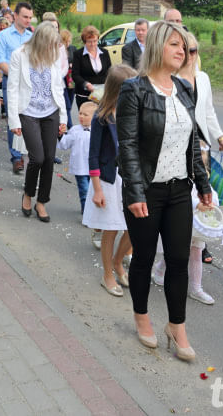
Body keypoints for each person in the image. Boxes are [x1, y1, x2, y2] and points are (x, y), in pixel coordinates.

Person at [117, 20, 211, 361]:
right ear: (157, 46)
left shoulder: (185, 89)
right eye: (175, 44)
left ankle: (177, 326)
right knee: (142, 258)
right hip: (147, 192)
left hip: (178, 191)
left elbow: (191, 143)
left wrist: (202, 183)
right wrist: (135, 193)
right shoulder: (135, 90)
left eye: (184, 46)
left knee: (177, 260)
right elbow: (127, 145)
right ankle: (142, 317)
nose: (181, 51)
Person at [151, 32, 223, 301]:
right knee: (180, 221)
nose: (191, 55)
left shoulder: (203, 78)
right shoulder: (168, 79)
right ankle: (162, 267)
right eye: (187, 49)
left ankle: (194, 285)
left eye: (195, 50)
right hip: (175, 156)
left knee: (200, 217)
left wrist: (219, 136)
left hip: (201, 153)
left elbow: (208, 111)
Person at [84, 65, 137, 297]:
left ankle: (118, 262)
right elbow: (93, 155)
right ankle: (107, 274)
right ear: (118, 90)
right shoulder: (101, 118)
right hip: (107, 180)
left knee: (134, 226)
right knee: (111, 229)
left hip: (129, 177)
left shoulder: (131, 113)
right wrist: (97, 189)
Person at [6, 21, 67, 223]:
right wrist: (13, 120)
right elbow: (12, 88)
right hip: (28, 112)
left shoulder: (54, 55)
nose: (53, 49)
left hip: (50, 111)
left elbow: (59, 87)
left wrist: (64, 117)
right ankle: (28, 194)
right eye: (50, 44)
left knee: (49, 158)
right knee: (37, 158)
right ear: (41, 42)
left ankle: (42, 202)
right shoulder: (19, 55)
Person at [0, 1, 34, 174]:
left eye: (30, 18)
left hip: (29, 83)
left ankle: (29, 151)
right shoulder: (4, 35)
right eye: (25, 17)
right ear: (15, 16)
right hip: (11, 80)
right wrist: (16, 74)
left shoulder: (31, 36)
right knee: (14, 118)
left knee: (29, 117)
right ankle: (16, 157)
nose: (28, 20)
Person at [58, 101, 97, 213]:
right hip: (80, 167)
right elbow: (65, 144)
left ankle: (93, 211)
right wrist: (60, 136)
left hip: (93, 167)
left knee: (93, 190)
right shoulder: (75, 130)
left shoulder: (98, 131)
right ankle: (86, 212)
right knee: (84, 190)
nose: (81, 116)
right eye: (80, 113)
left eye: (85, 115)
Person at [72, 25, 111, 109]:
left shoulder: (105, 53)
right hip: (84, 95)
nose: (93, 44)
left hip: (102, 94)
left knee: (102, 120)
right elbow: (75, 75)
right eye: (89, 41)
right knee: (87, 120)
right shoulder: (78, 54)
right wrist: (86, 84)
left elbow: (109, 71)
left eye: (95, 41)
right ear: (84, 41)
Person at [60, 29, 77, 128]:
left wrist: (72, 65)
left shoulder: (72, 49)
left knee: (70, 103)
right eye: (66, 41)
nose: (68, 43)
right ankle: (70, 127)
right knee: (67, 104)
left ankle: (65, 123)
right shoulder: (59, 50)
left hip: (71, 80)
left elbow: (76, 61)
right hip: (62, 80)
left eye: (69, 41)